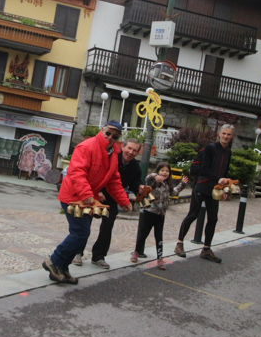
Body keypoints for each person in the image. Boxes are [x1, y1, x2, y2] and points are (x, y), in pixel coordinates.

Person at [43, 120, 132, 285]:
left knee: (81, 233)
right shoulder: (86, 146)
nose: (111, 137)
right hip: (73, 196)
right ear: (102, 130)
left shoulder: (113, 155)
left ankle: (62, 268)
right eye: (108, 133)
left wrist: (124, 201)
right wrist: (86, 194)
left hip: (88, 199)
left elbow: (113, 181)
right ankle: (55, 261)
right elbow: (76, 171)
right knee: (80, 233)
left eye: (115, 136)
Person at [73, 138, 142, 269]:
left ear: (137, 153)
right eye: (129, 148)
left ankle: (98, 256)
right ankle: (77, 252)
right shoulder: (112, 157)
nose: (131, 152)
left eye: (134, 150)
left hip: (112, 198)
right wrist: (97, 191)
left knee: (107, 226)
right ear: (123, 147)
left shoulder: (135, 166)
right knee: (84, 223)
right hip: (96, 192)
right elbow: (96, 173)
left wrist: (139, 187)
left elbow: (134, 182)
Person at [174, 124, 234, 263]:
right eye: (224, 133)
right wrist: (218, 178)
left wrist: (224, 188)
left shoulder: (228, 152)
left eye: (228, 134)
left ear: (231, 137)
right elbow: (204, 168)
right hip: (201, 186)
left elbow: (224, 172)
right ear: (219, 134)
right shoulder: (210, 148)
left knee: (213, 218)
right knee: (193, 214)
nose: (226, 136)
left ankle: (206, 249)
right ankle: (179, 244)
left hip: (214, 188)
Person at [131, 162, 189, 269]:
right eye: (162, 170)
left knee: (159, 236)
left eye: (167, 171)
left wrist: (182, 184)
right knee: (142, 234)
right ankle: (136, 252)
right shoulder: (152, 182)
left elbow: (174, 192)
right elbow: (147, 178)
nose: (164, 173)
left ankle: (160, 257)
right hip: (148, 212)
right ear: (158, 171)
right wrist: (154, 176)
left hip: (160, 214)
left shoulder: (168, 185)